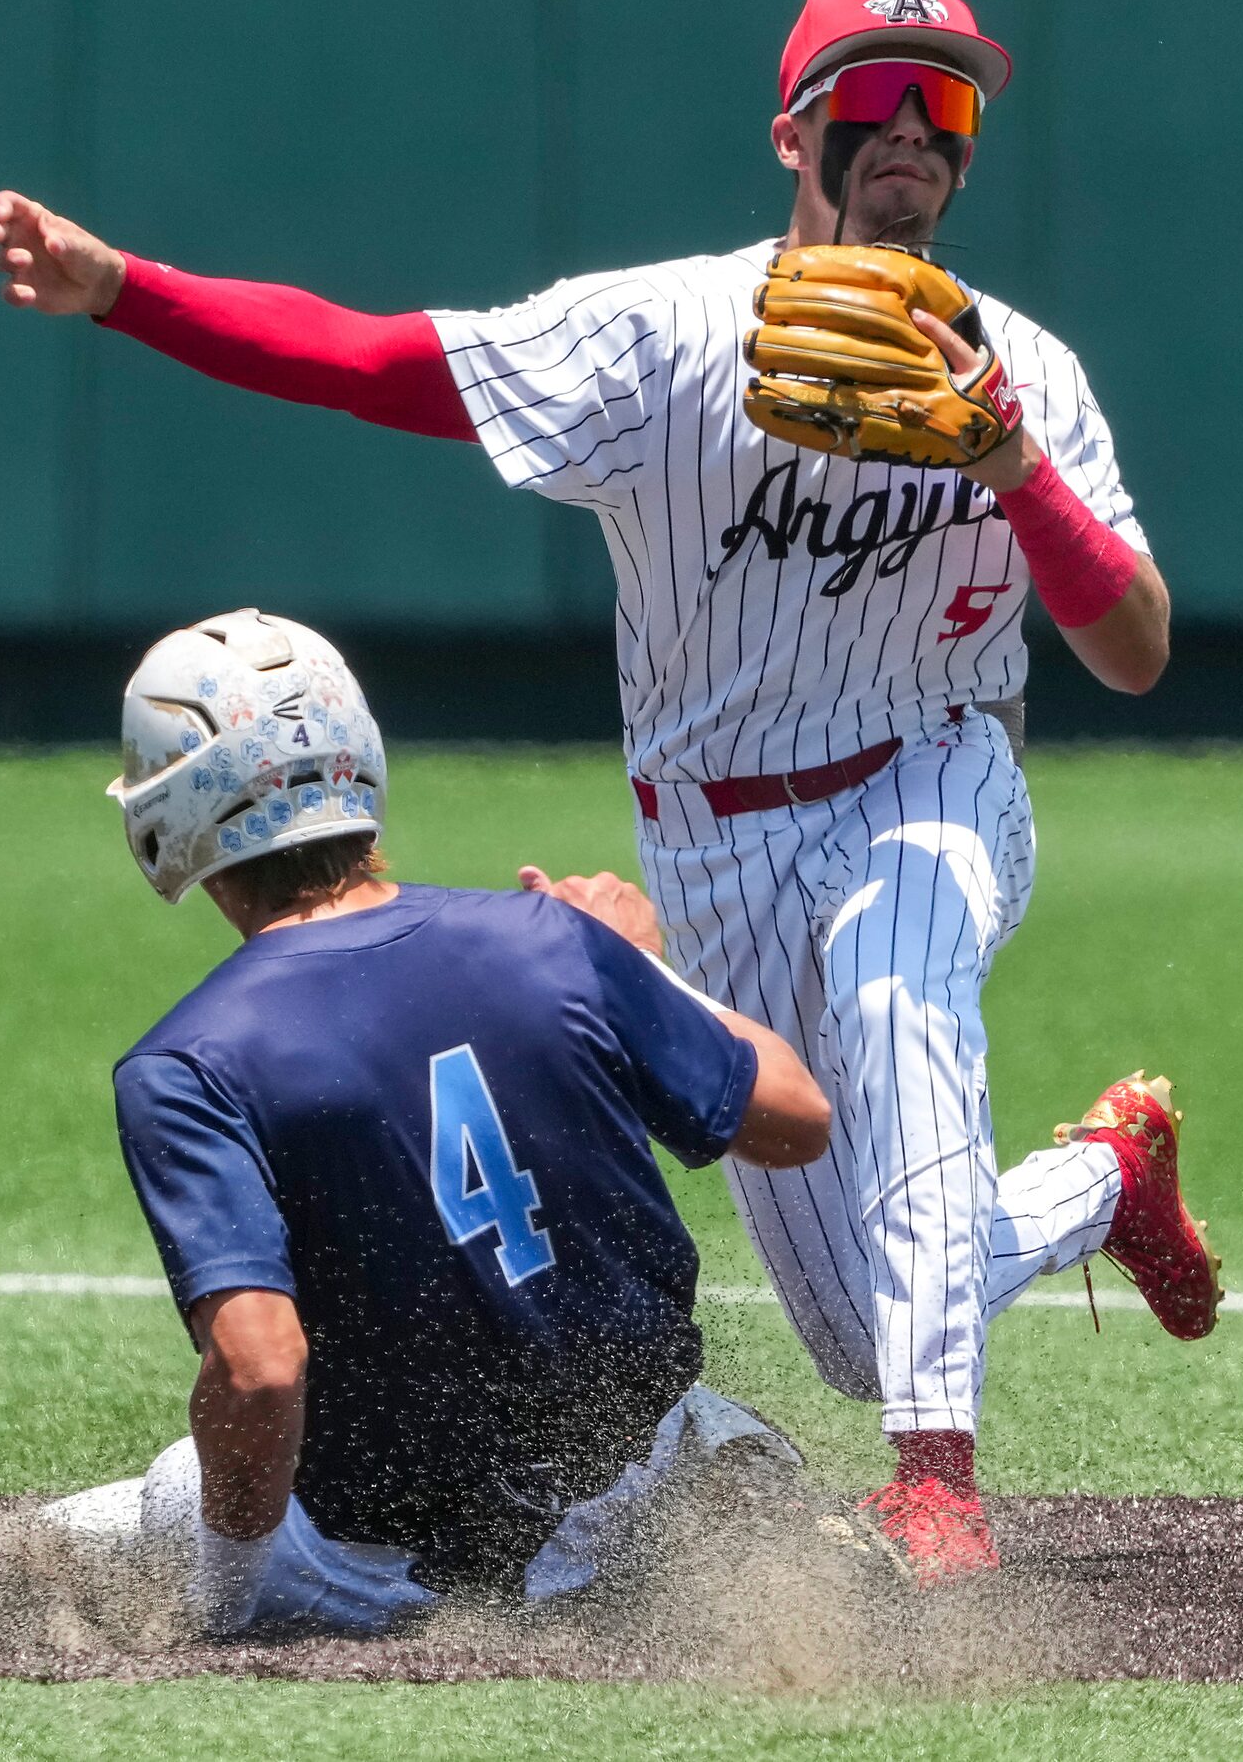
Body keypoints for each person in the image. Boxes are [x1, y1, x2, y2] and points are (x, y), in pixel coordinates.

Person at [0, 0, 1219, 1585]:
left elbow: (1132, 646)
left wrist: (1009, 464)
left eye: (948, 98)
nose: (912, 124)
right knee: (866, 1323)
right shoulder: (663, 342)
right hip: (713, 843)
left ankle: (938, 1490)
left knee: (896, 978)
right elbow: (374, 361)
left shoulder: (1027, 374)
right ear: (795, 126)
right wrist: (118, 288)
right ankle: (1103, 1173)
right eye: (873, 92)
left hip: (931, 772)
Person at [51, 608, 839, 1637]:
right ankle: (704, 1513)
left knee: (100, 1532)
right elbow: (797, 1120)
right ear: (360, 763)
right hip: (630, 1506)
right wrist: (642, 966)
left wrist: (225, 1600)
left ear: (170, 808)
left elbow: (260, 1365)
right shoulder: (556, 939)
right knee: (691, 1438)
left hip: (384, 1571)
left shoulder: (185, 1063)